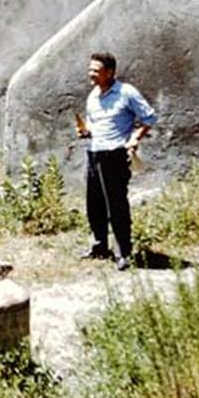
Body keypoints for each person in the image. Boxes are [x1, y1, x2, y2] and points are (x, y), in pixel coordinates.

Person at [77, 52, 157, 271]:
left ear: (110, 72)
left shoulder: (126, 92)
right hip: (94, 153)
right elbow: (94, 125)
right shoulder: (93, 95)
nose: (90, 73)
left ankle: (124, 252)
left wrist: (135, 138)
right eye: (90, 69)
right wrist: (86, 132)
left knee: (117, 206)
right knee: (94, 204)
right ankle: (100, 245)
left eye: (96, 70)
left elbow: (150, 117)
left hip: (114, 155)